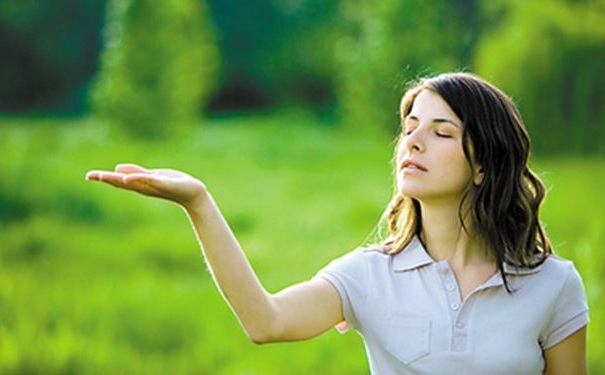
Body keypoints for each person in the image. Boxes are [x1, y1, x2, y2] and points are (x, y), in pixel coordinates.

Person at [86, 72, 588, 374]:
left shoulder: (552, 285)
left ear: (483, 165)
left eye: (441, 132)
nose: (412, 142)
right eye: (409, 129)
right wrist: (198, 202)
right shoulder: (368, 275)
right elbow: (266, 322)